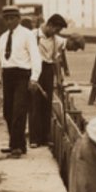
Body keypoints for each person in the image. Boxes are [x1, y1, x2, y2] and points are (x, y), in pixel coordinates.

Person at [0, 5, 42, 157]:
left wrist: (34, 78)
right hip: (7, 76)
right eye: (6, 19)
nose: (9, 21)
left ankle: (15, 147)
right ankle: (19, 144)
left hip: (23, 75)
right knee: (8, 112)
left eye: (12, 18)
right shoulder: (3, 37)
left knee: (19, 111)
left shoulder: (28, 35)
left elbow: (36, 57)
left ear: (18, 19)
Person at [29, 13, 69, 148]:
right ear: (50, 25)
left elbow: (56, 59)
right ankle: (34, 138)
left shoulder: (56, 39)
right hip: (35, 70)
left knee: (47, 103)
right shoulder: (33, 35)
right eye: (56, 29)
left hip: (48, 70)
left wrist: (59, 77)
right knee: (35, 103)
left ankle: (45, 137)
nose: (56, 33)